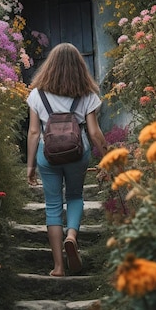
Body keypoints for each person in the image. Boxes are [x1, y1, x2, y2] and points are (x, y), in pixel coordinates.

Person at [26, 42, 108, 277]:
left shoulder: (36, 94)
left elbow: (33, 132)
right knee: (74, 196)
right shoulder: (87, 95)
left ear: (49, 66)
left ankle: (59, 266)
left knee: (53, 206)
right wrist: (109, 158)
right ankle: (71, 235)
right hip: (77, 153)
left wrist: (30, 166)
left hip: (47, 155)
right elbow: (93, 132)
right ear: (78, 67)